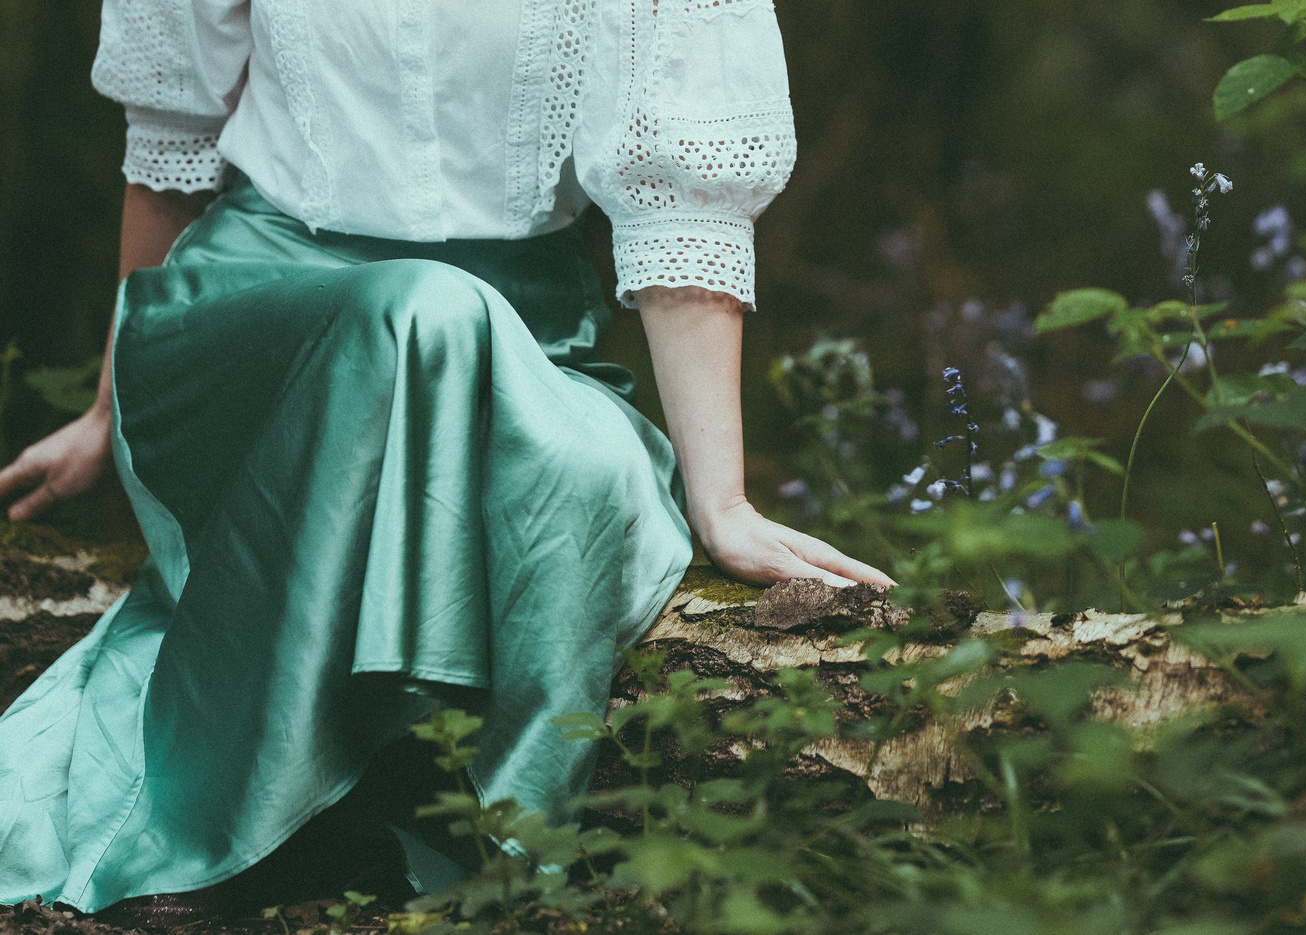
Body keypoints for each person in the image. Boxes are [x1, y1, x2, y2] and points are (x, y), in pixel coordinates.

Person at [0, 0, 897, 915]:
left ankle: (465, 848)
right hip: (256, 315)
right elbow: (172, 139)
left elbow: (679, 211)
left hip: (529, 340)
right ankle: (218, 842)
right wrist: (109, 409)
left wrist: (724, 500)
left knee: (585, 475)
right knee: (418, 310)